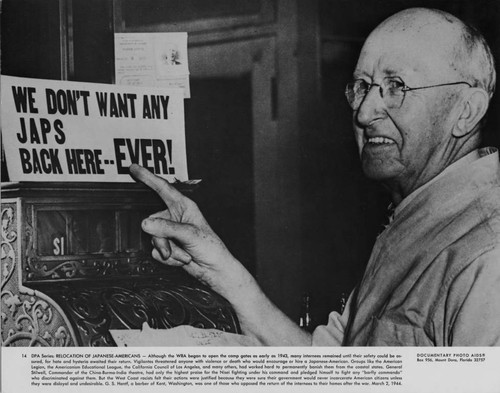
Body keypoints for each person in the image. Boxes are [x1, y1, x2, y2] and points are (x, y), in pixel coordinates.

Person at [129, 7, 500, 346]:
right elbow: (330, 372)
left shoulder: (487, 251)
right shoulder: (419, 221)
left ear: (466, 111)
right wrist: (214, 265)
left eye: (396, 87)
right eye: (362, 87)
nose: (365, 112)